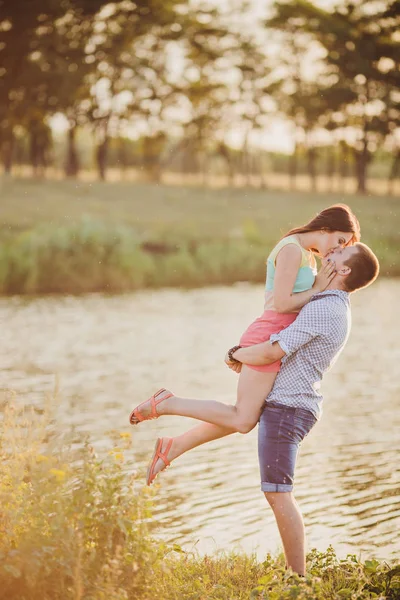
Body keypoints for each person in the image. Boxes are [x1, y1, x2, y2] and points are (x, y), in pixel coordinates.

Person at [142, 241, 380, 575]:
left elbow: (272, 351)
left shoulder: (327, 308)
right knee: (242, 417)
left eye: (338, 255)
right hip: (287, 402)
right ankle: (174, 441)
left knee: (278, 493)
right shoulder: (327, 300)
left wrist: (236, 354)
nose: (330, 254)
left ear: (344, 271)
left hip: (289, 408)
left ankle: (298, 580)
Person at [129, 205, 360, 479]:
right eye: (340, 241)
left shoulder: (305, 256)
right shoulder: (291, 250)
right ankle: (167, 404)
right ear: (325, 228)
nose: (337, 249)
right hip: (268, 336)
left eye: (344, 246)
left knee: (246, 414)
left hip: (278, 339)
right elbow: (283, 303)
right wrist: (317, 289)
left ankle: (173, 446)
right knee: (243, 418)